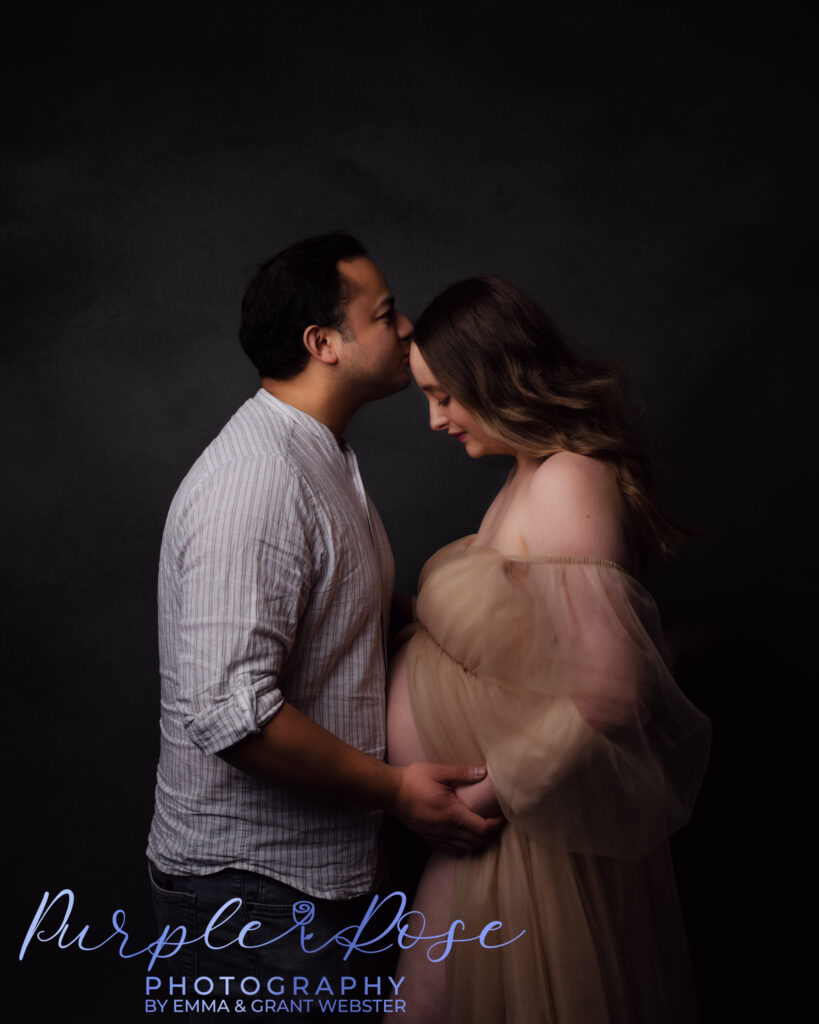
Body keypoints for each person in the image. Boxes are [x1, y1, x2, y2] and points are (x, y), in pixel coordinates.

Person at [145, 234, 501, 1015]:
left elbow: (345, 608)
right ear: (323, 344)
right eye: (384, 314)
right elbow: (227, 713)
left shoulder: (317, 455)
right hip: (253, 901)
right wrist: (397, 792)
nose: (407, 328)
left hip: (309, 886)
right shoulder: (258, 480)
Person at [385, 276, 712, 1023]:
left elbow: (611, 692)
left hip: (521, 830)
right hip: (501, 834)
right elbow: (503, 642)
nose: (435, 421)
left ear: (495, 376)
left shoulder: (566, 478)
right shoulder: (527, 474)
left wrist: (480, 796)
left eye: (444, 396)